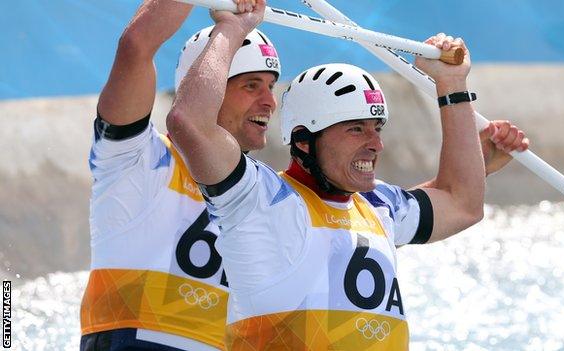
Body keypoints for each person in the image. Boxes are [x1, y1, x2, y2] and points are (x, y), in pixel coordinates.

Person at [167, 0, 528, 349]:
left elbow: (463, 203)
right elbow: (190, 123)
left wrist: (452, 86)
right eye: (356, 129)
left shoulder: (379, 206)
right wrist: (232, 28)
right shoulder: (257, 198)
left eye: (377, 128)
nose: (376, 145)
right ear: (304, 141)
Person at [80, 0, 281, 349]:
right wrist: (230, 29)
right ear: (208, 84)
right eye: (251, 86)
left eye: (271, 87)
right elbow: (136, 46)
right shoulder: (135, 157)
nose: (270, 102)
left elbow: (383, 214)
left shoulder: (266, 190)